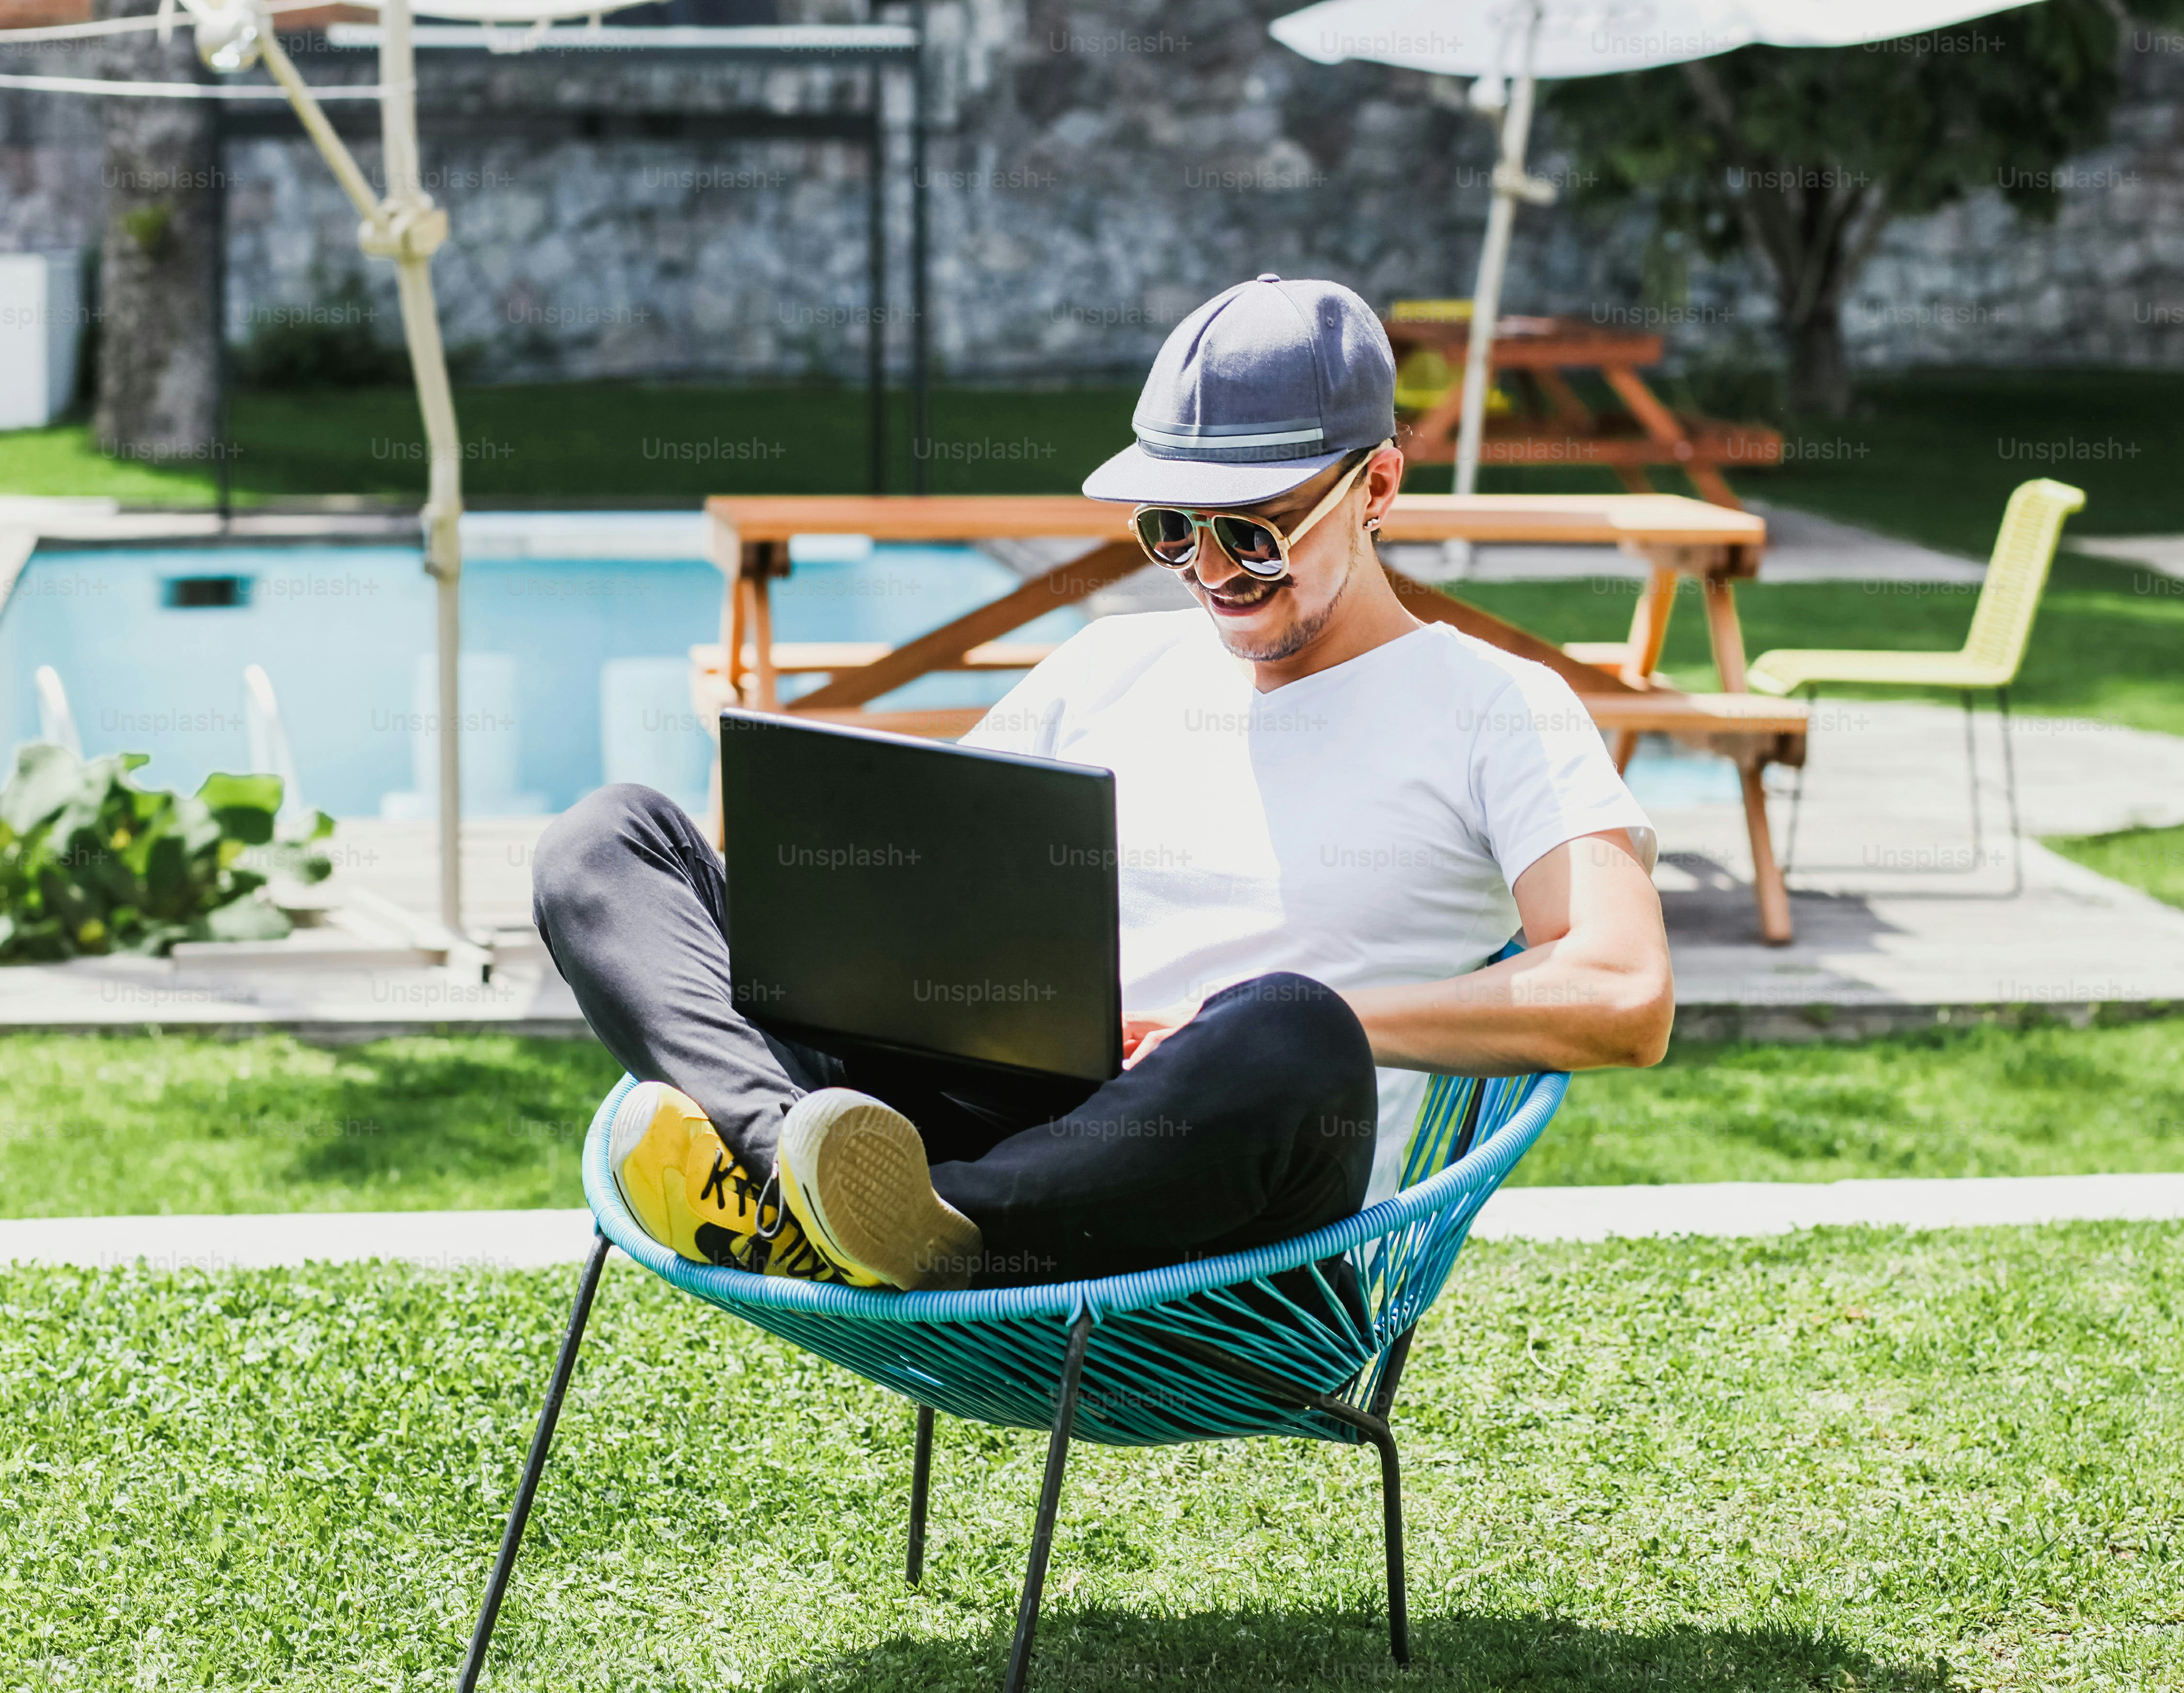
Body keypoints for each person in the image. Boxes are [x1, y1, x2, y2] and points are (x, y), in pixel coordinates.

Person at [531, 274, 1674, 1293]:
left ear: (1376, 485)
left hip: (1235, 1223)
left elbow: (1625, 994)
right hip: (989, 1120)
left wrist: (1240, 1026)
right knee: (607, 839)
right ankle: (804, 1174)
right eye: (1171, 530)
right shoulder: (1107, 663)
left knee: (1290, 1024)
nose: (1212, 572)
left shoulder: (1497, 705)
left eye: (1254, 533)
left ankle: (921, 1228)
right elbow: (933, 892)